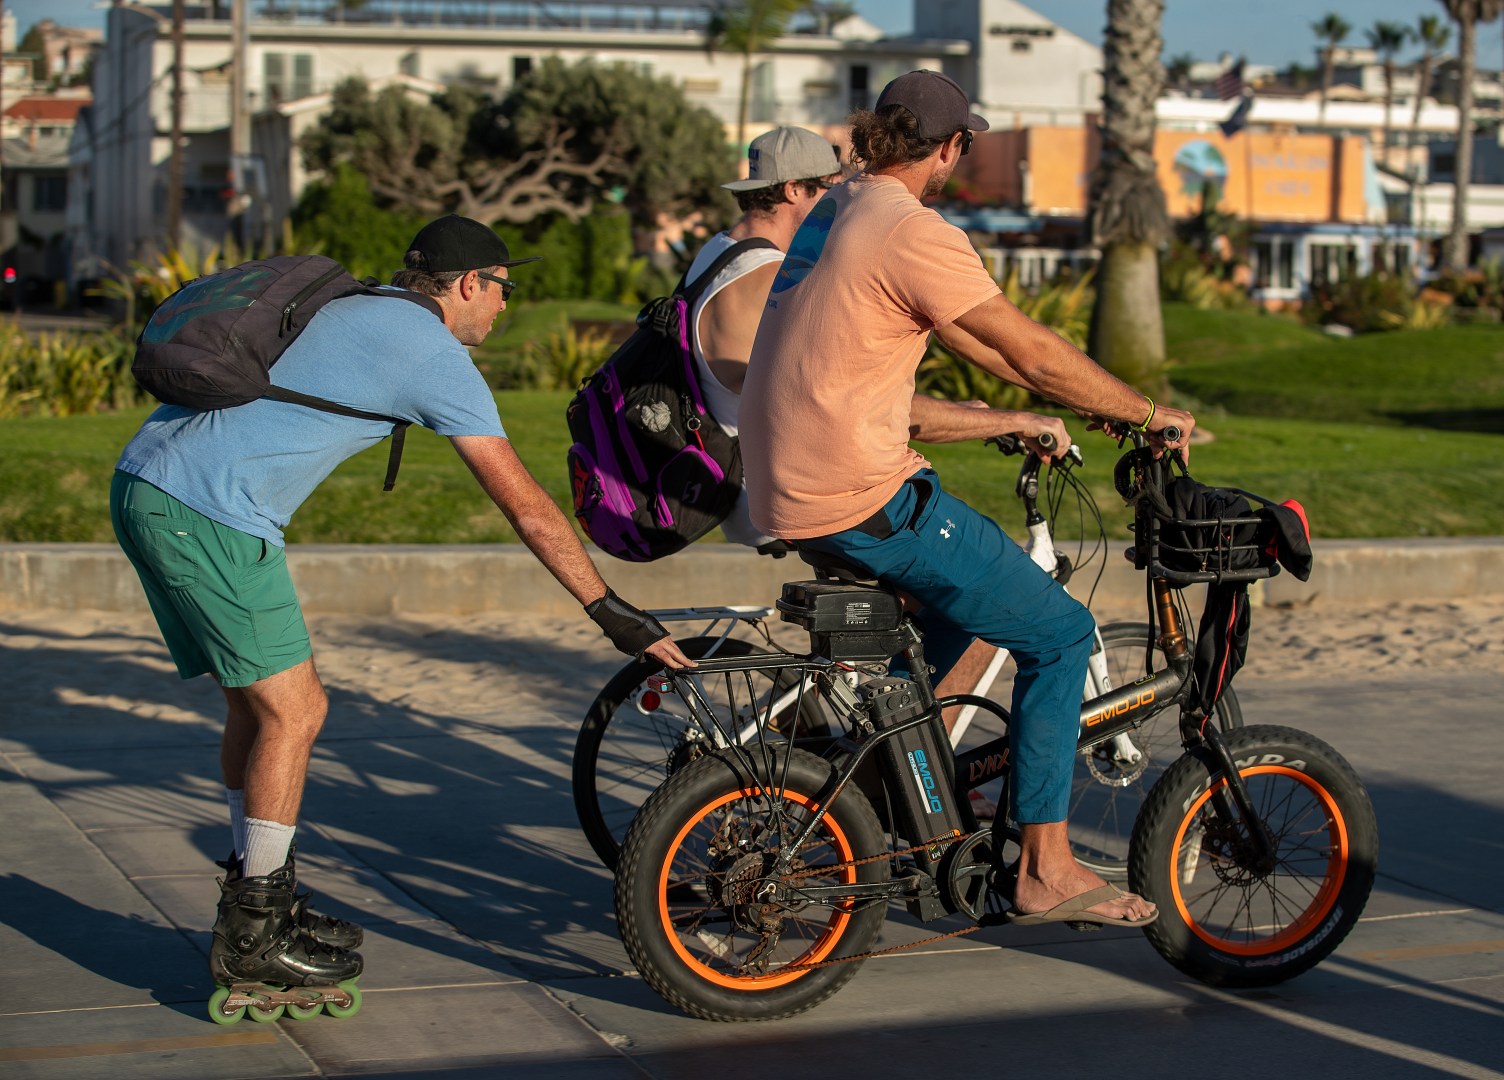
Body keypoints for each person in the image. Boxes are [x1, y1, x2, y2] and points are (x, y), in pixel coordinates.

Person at [110, 215, 693, 1000]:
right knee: (296, 713)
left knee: (256, 710)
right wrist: (609, 609)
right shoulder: (430, 353)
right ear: (467, 286)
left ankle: (261, 893)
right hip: (205, 509)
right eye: (502, 290)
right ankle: (253, 934)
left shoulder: (362, 306)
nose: (503, 308)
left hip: (151, 481)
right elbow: (525, 506)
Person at [739, 70, 1193, 928]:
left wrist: (1011, 418)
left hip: (789, 490)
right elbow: (1024, 350)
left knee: (959, 616)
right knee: (1061, 634)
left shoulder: (836, 211)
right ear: (950, 148)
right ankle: (1045, 869)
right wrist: (1143, 413)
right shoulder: (910, 230)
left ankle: (901, 808)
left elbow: (914, 367)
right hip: (862, 497)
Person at [683, 125, 842, 548]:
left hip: (736, 481)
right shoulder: (770, 276)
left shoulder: (719, 249)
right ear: (793, 190)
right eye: (830, 188)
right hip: (765, 494)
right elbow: (831, 393)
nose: (837, 200)